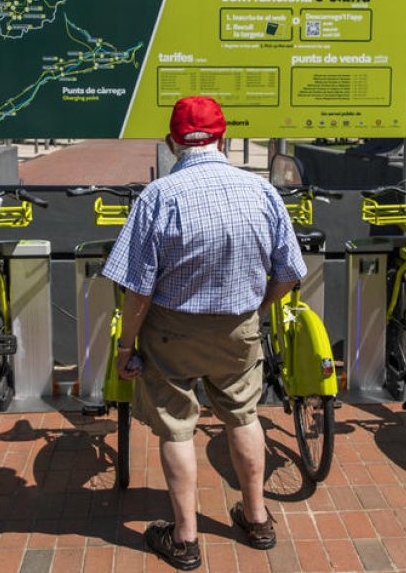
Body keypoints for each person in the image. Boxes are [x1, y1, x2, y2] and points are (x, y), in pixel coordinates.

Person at [102, 96, 306, 570]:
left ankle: (186, 537)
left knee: (177, 427)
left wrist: (126, 346)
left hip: (172, 333)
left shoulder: (158, 197)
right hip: (238, 330)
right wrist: (257, 306)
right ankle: (256, 519)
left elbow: (136, 289)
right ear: (222, 136)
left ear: (173, 141)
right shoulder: (260, 192)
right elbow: (291, 271)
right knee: (243, 415)